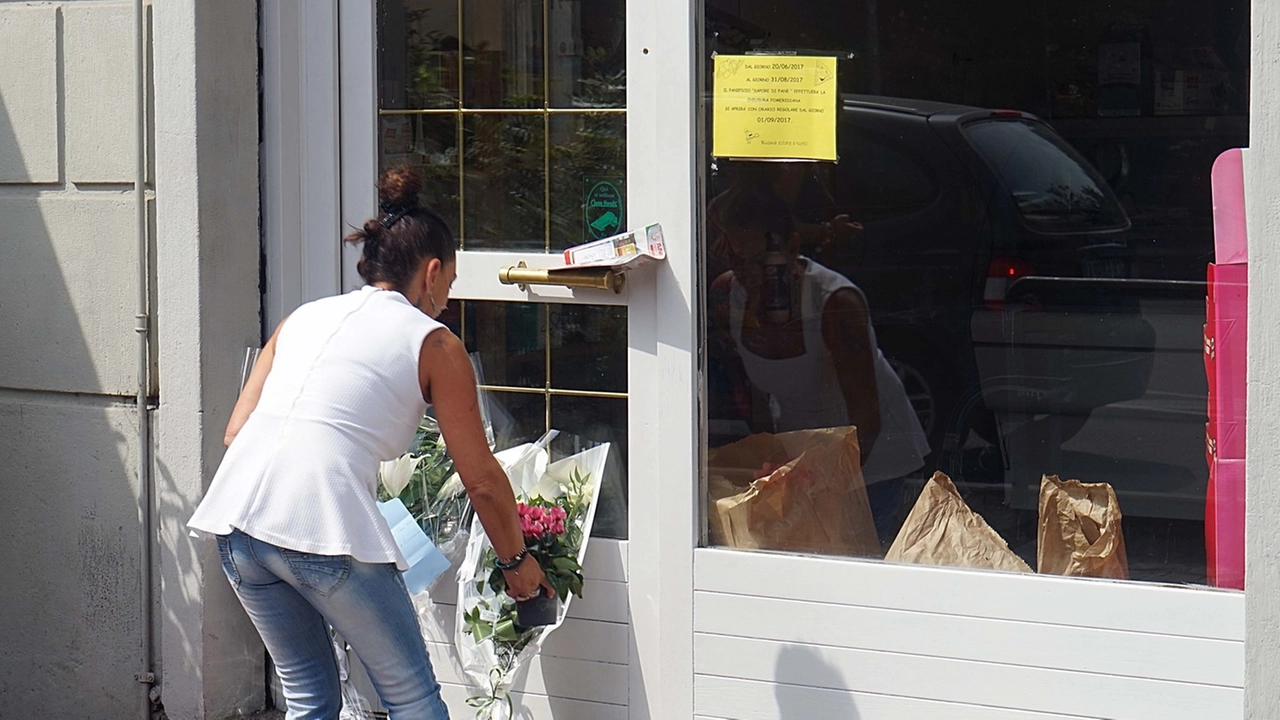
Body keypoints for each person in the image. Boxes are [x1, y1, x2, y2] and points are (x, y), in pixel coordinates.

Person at [187, 167, 551, 720]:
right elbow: (479, 478)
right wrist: (516, 562)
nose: (447, 301)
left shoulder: (302, 317)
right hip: (322, 529)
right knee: (412, 699)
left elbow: (236, 431)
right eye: (449, 284)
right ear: (430, 274)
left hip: (238, 527)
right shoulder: (434, 342)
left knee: (309, 697)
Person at [709, 182, 930, 544]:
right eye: (737, 261)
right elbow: (761, 401)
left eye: (763, 262)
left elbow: (866, 420)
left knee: (855, 560)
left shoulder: (835, 304)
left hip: (873, 462)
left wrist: (824, 491)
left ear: (793, 248)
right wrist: (773, 469)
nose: (750, 275)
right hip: (804, 461)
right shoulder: (727, 295)